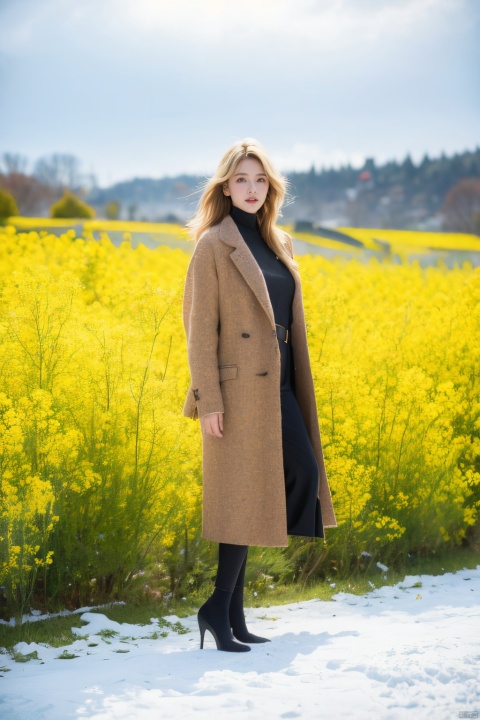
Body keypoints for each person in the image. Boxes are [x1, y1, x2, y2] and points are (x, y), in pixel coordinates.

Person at [182, 138, 337, 652]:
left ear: (271, 186)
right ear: (225, 187)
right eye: (241, 180)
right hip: (238, 389)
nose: (251, 189)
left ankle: (225, 612)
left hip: (284, 382)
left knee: (300, 474)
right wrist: (208, 401)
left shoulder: (281, 241)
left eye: (260, 179)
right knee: (242, 495)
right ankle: (223, 610)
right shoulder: (213, 245)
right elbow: (199, 330)